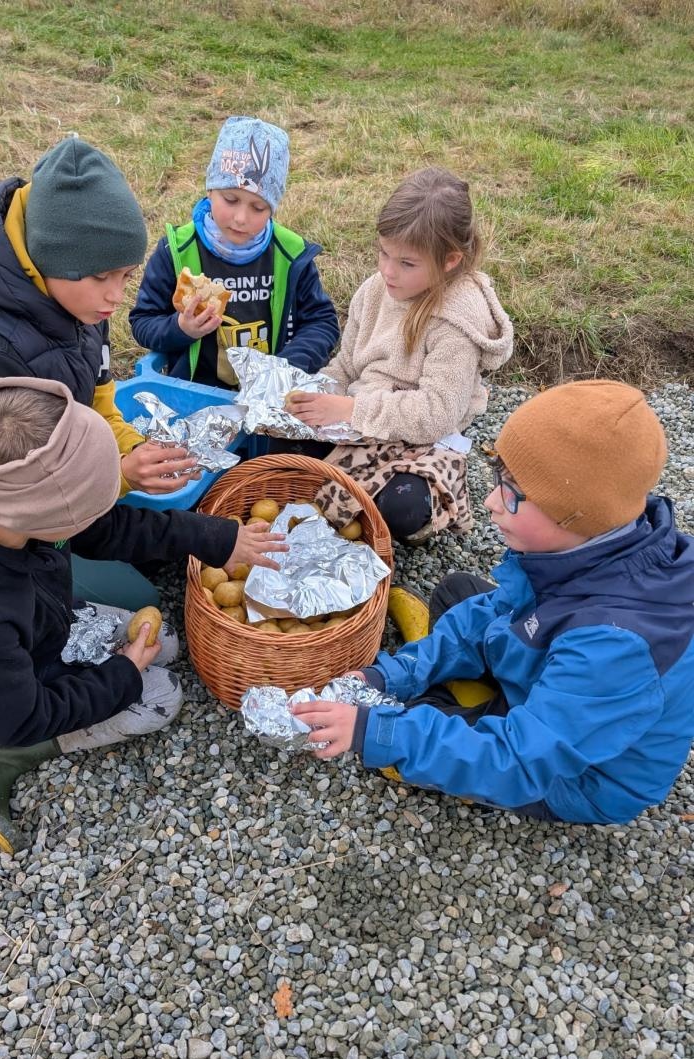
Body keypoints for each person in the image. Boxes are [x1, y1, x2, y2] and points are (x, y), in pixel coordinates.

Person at [0, 377, 286, 855]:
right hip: (2, 704)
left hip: (33, 630)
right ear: (55, 512)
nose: (103, 511)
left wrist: (219, 541)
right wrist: (124, 673)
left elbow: (110, 528)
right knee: (160, 696)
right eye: (93, 504)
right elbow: (25, 715)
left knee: (168, 643)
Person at [292, 380, 694, 825]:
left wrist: (371, 730)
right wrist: (390, 674)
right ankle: (457, 693)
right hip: (555, 679)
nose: (489, 502)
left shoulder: (617, 644)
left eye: (514, 493)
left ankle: (453, 714)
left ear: (575, 513)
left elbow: (520, 761)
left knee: (401, 731)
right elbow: (498, 612)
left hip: (574, 778)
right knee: (459, 592)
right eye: (498, 476)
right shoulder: (587, 546)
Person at [0, 134, 197, 609]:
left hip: (59, 472)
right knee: (139, 602)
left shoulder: (80, 306)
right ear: (49, 259)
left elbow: (99, 396)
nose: (115, 297)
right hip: (5, 522)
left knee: (153, 560)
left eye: (125, 276)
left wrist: (133, 448)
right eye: (100, 278)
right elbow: (31, 496)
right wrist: (123, 475)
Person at [286, 166, 513, 547]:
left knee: (402, 508)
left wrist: (348, 410)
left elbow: (436, 412)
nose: (388, 271)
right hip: (360, 416)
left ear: (450, 260)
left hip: (421, 437)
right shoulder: (376, 291)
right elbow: (348, 364)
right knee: (283, 445)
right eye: (383, 253)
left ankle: (406, 515)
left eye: (406, 263)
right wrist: (319, 394)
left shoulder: (456, 321)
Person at [128, 115, 339, 389]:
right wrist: (181, 329)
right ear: (210, 190)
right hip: (197, 392)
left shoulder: (291, 255)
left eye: (258, 207)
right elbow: (143, 322)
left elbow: (322, 323)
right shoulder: (177, 249)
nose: (241, 218)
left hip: (272, 394)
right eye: (230, 200)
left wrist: (284, 367)